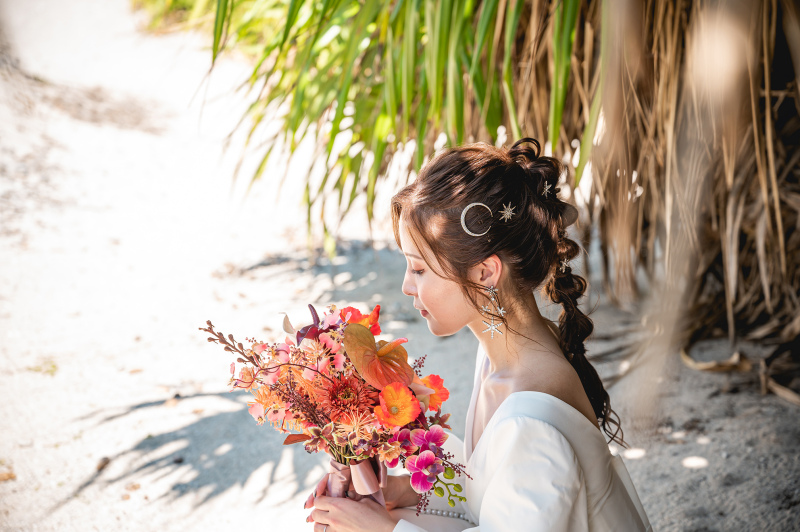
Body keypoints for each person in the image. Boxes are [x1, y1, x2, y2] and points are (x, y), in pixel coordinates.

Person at [305, 138, 651, 531]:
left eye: (419, 269)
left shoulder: (529, 425)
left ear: (485, 273)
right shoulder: (501, 354)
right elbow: (496, 488)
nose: (405, 286)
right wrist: (407, 491)